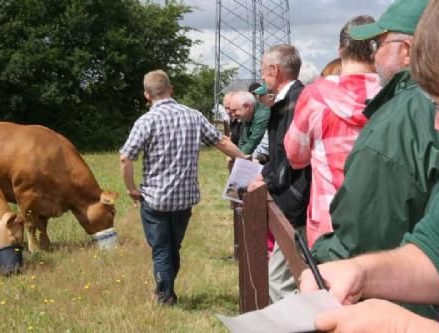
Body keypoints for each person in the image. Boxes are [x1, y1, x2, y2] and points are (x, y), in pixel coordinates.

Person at [311, 0, 439, 268]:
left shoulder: (396, 121)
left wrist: (322, 254)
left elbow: (359, 238)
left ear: (407, 51)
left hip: (400, 300)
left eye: (379, 45)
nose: (373, 57)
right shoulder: (417, 109)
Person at [119, 70, 246, 305]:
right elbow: (222, 142)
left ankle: (166, 296)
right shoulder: (193, 116)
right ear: (171, 89)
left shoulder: (146, 121)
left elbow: (126, 158)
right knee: (172, 247)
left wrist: (131, 188)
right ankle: (164, 290)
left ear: (147, 95)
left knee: (161, 249)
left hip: (155, 199)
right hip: (183, 200)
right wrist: (247, 161)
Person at [284, 15, 381, 248]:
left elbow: (295, 156)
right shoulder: (397, 95)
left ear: (340, 49)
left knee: (329, 283)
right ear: (376, 50)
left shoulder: (316, 96)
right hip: (383, 220)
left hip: (330, 222)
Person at [247, 44, 310, 302]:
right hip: (294, 199)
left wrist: (267, 180)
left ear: (274, 69)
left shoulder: (296, 101)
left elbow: (290, 157)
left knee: (280, 281)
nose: (261, 77)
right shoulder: (288, 99)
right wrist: (264, 173)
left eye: (263, 71)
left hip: (296, 200)